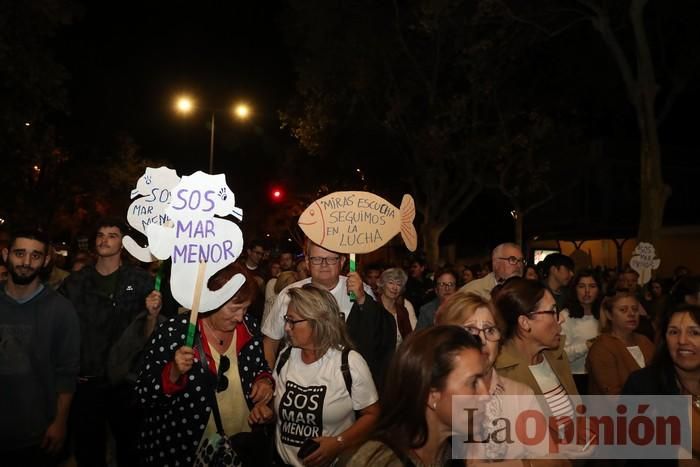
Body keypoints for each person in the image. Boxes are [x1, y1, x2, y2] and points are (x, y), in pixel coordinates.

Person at [135, 262, 273, 467]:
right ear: (211, 301)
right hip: (184, 452)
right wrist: (172, 373)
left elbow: (261, 367)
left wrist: (264, 383)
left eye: (245, 308)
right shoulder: (174, 332)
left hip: (240, 448)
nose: (240, 317)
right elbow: (143, 394)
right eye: (235, 308)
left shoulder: (248, 327)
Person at [59, 218, 161, 466]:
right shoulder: (76, 283)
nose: (104, 239)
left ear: (122, 243)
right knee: (88, 451)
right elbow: (62, 331)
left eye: (112, 235)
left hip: (125, 383)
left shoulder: (140, 282)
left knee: (130, 450)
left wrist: (152, 315)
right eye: (100, 235)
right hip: (87, 382)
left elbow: (148, 336)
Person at [262, 239, 396, 389]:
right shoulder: (289, 295)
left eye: (331, 259)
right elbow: (270, 342)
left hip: (344, 387)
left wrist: (362, 298)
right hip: (296, 383)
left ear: (342, 261)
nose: (324, 264)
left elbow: (379, 335)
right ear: (307, 262)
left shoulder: (358, 290)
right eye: (317, 259)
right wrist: (268, 380)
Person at [347, 326, 488, 467]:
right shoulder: (381, 461)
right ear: (432, 396)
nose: (486, 394)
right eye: (473, 382)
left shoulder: (455, 453)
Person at [274, 284, 380, 466]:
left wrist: (339, 443)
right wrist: (264, 405)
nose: (286, 328)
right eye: (286, 319)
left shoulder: (349, 363)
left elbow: (373, 415)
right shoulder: (285, 356)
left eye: (293, 321)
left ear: (317, 322)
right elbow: (276, 405)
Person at [0, 229, 80, 467]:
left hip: (36, 433)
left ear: (45, 261)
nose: (26, 262)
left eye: (35, 256)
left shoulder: (61, 310)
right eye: (19, 253)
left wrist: (60, 422)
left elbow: (67, 372)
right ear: (6, 254)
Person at [435, 292, 545, 462]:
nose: (482, 339)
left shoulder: (520, 395)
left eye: (490, 330)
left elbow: (554, 461)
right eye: (470, 330)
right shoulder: (433, 396)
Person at [623, 304, 700, 465]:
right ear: (665, 339)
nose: (682, 341)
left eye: (694, 332)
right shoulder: (642, 386)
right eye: (674, 332)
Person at [493, 278, 578, 422]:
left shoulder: (557, 357)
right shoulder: (499, 375)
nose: (562, 318)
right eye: (553, 311)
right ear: (525, 323)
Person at [586, 292, 654, 395]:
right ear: (609, 315)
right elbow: (613, 395)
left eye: (635, 309)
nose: (631, 314)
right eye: (623, 310)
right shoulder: (602, 347)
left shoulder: (644, 341)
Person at [560, 270, 602, 394]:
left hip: (601, 375)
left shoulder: (604, 314)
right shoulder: (565, 316)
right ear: (575, 290)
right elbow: (561, 355)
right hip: (576, 376)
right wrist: (587, 345)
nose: (587, 291)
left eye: (592, 286)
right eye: (582, 286)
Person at [459, 243, 525, 300]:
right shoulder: (472, 293)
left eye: (521, 260)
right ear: (496, 263)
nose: (519, 265)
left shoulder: (527, 291)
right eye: (512, 259)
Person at [377, 268, 416, 347]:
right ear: (382, 284)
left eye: (399, 284)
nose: (394, 287)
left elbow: (409, 338)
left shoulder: (402, 311)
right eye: (391, 283)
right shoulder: (374, 307)